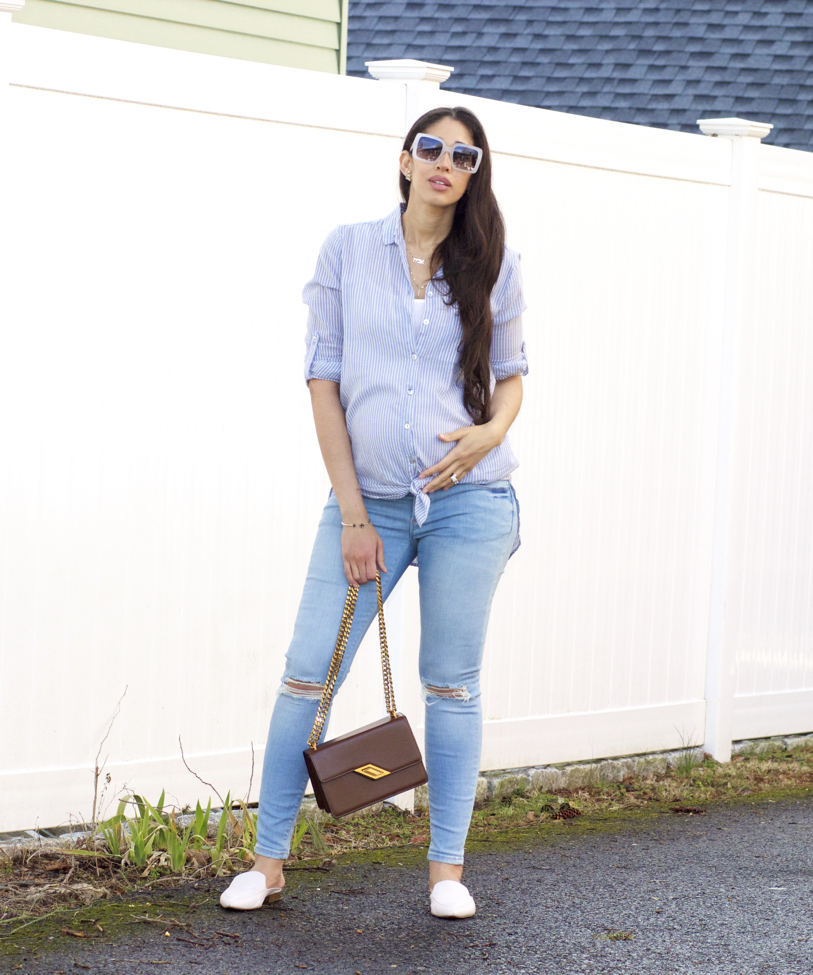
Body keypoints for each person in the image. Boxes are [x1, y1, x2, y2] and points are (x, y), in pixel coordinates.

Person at [220, 106, 528, 919]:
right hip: (373, 505)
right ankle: (267, 862)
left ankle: (446, 873)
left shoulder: (493, 261)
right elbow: (322, 382)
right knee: (305, 673)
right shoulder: (348, 250)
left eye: (463, 155)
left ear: (473, 173)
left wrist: (487, 435)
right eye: (431, 148)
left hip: (472, 501)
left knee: (451, 687)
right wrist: (355, 515)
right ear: (403, 160)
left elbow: (511, 377)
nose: (444, 162)